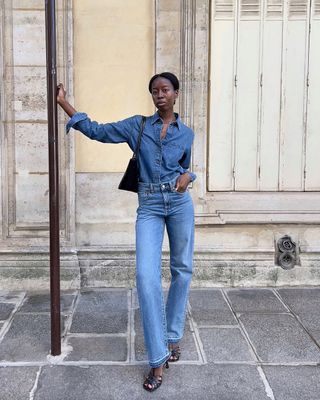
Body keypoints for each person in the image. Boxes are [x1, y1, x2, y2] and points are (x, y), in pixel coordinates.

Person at [57, 72, 196, 392]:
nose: (159, 95)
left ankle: (173, 337)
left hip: (178, 204)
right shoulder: (139, 125)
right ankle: (158, 358)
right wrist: (65, 104)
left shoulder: (186, 133)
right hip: (148, 204)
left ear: (176, 93)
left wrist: (190, 176)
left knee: (182, 270)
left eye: (165, 90)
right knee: (146, 277)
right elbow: (98, 131)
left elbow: (186, 167)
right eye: (154, 91)